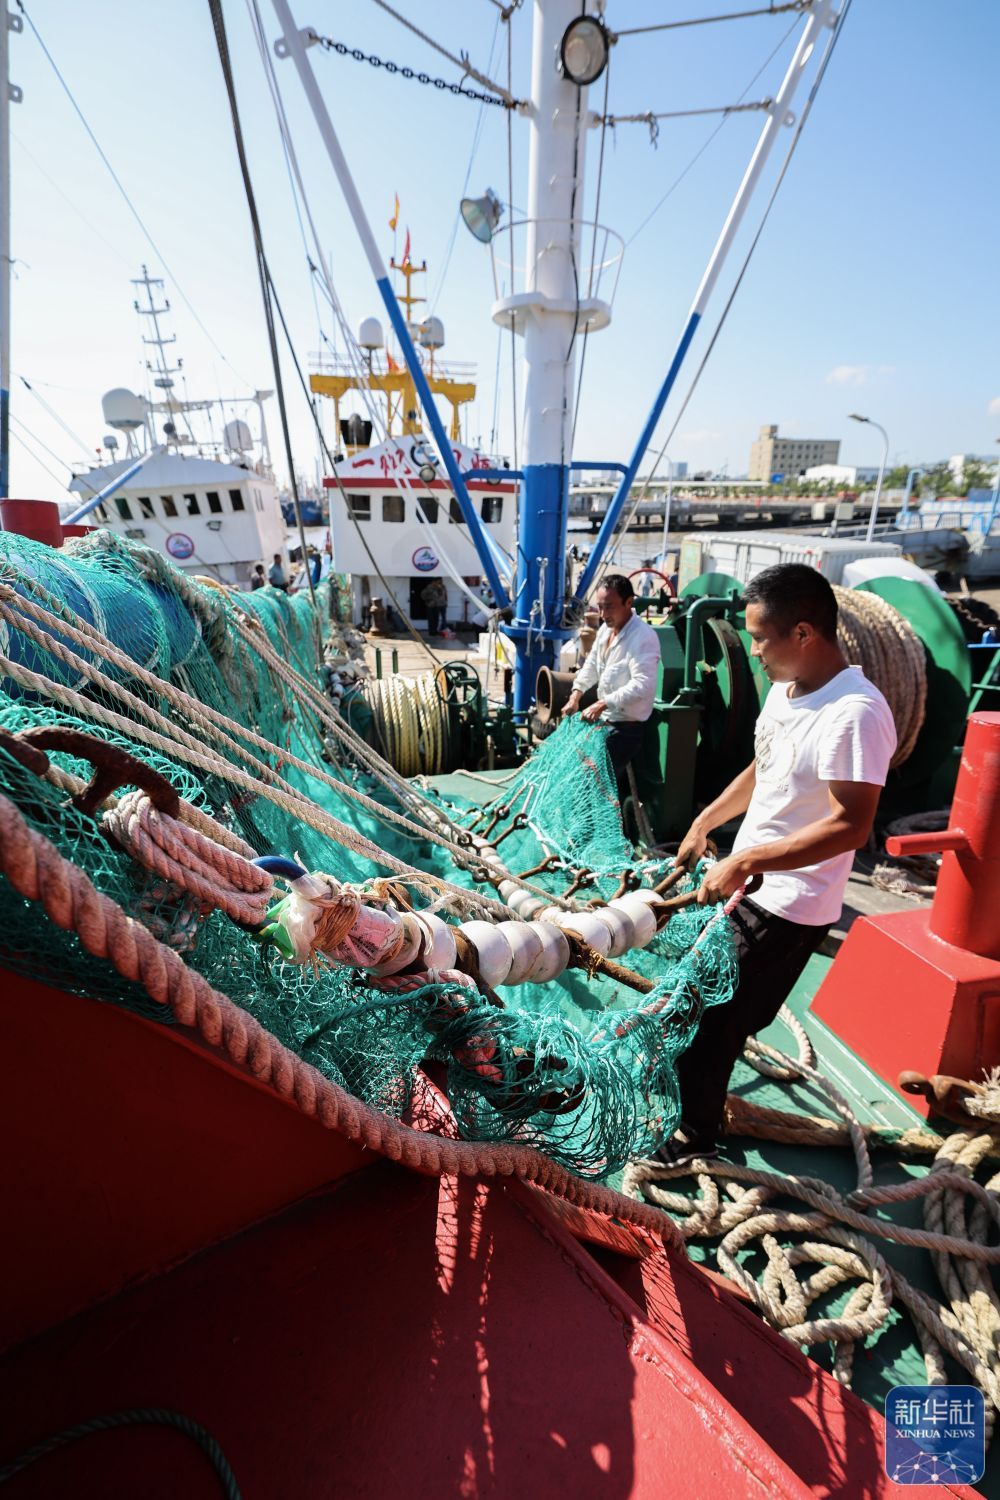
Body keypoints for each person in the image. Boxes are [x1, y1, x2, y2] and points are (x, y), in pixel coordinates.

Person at [656, 563, 897, 1169]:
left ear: (804, 634)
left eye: (762, 638)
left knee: (715, 1018)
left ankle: (695, 1137)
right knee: (700, 1000)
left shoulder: (855, 713)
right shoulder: (786, 690)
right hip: (751, 886)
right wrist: (705, 821)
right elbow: (764, 766)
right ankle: (697, 1098)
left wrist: (746, 859)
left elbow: (851, 825)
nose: (755, 651)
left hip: (791, 904)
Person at [562, 573, 661, 797]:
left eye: (609, 607)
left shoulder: (643, 637)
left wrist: (602, 704)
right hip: (605, 724)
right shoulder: (606, 630)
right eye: (600, 607)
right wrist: (576, 695)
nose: (603, 614)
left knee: (588, 786)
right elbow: (592, 665)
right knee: (573, 768)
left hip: (625, 730)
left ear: (629, 602)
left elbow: (643, 684)